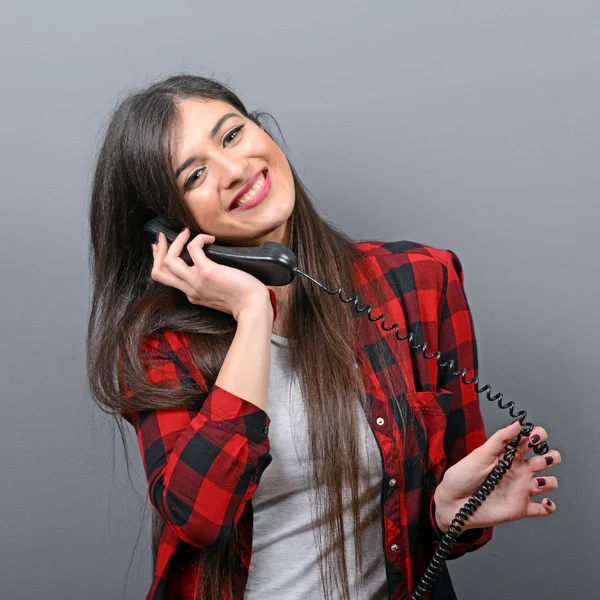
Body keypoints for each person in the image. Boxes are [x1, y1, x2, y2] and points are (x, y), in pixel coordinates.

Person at [86, 74, 561, 600]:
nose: (234, 170)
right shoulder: (158, 342)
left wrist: (447, 510)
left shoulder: (418, 282)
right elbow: (199, 519)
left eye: (231, 136)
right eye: (195, 174)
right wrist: (250, 314)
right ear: (169, 227)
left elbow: (443, 517)